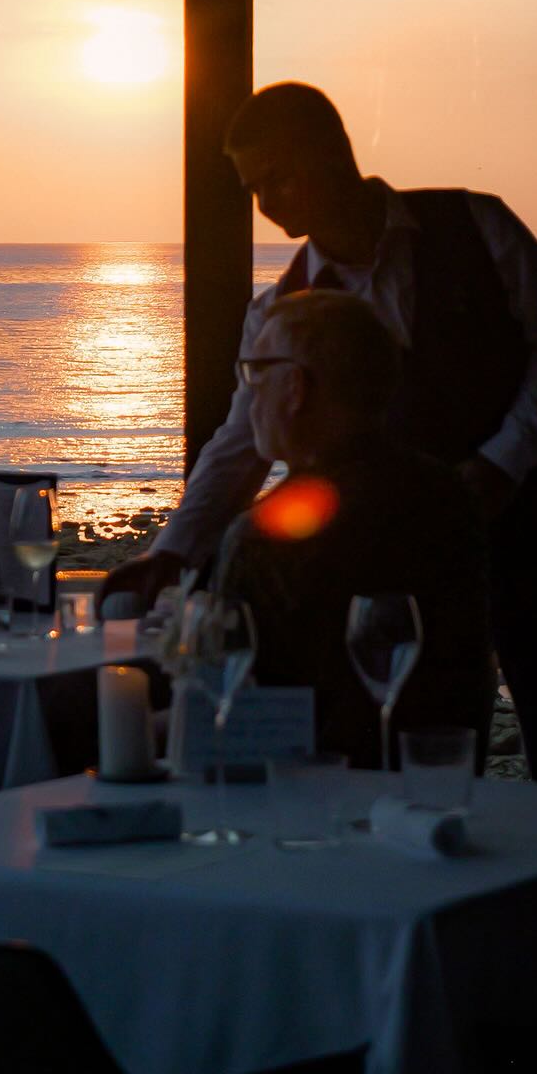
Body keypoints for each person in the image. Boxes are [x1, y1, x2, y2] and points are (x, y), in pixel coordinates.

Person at [105, 81, 537, 788]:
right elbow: (241, 441)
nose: (267, 204)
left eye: (279, 176)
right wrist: (174, 548)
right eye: (254, 188)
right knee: (423, 734)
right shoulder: (279, 311)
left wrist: (504, 462)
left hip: (531, 517)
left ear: (335, 152)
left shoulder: (475, 224)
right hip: (393, 557)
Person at [215, 289, 495, 767]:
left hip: (308, 797)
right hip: (435, 778)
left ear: (296, 388)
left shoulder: (264, 537)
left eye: (255, 374)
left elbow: (236, 705)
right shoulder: (444, 494)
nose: (248, 396)